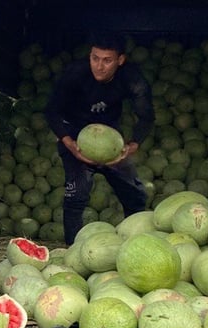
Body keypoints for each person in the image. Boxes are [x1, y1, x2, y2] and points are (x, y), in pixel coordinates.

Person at [45, 32, 154, 244]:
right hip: (76, 136)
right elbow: (51, 111)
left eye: (107, 60)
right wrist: (69, 143)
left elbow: (146, 116)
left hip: (111, 139)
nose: (99, 66)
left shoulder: (132, 78)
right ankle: (73, 251)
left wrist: (132, 145)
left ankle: (135, 245)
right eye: (95, 58)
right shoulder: (75, 73)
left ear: (120, 60)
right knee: (75, 196)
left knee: (136, 195)